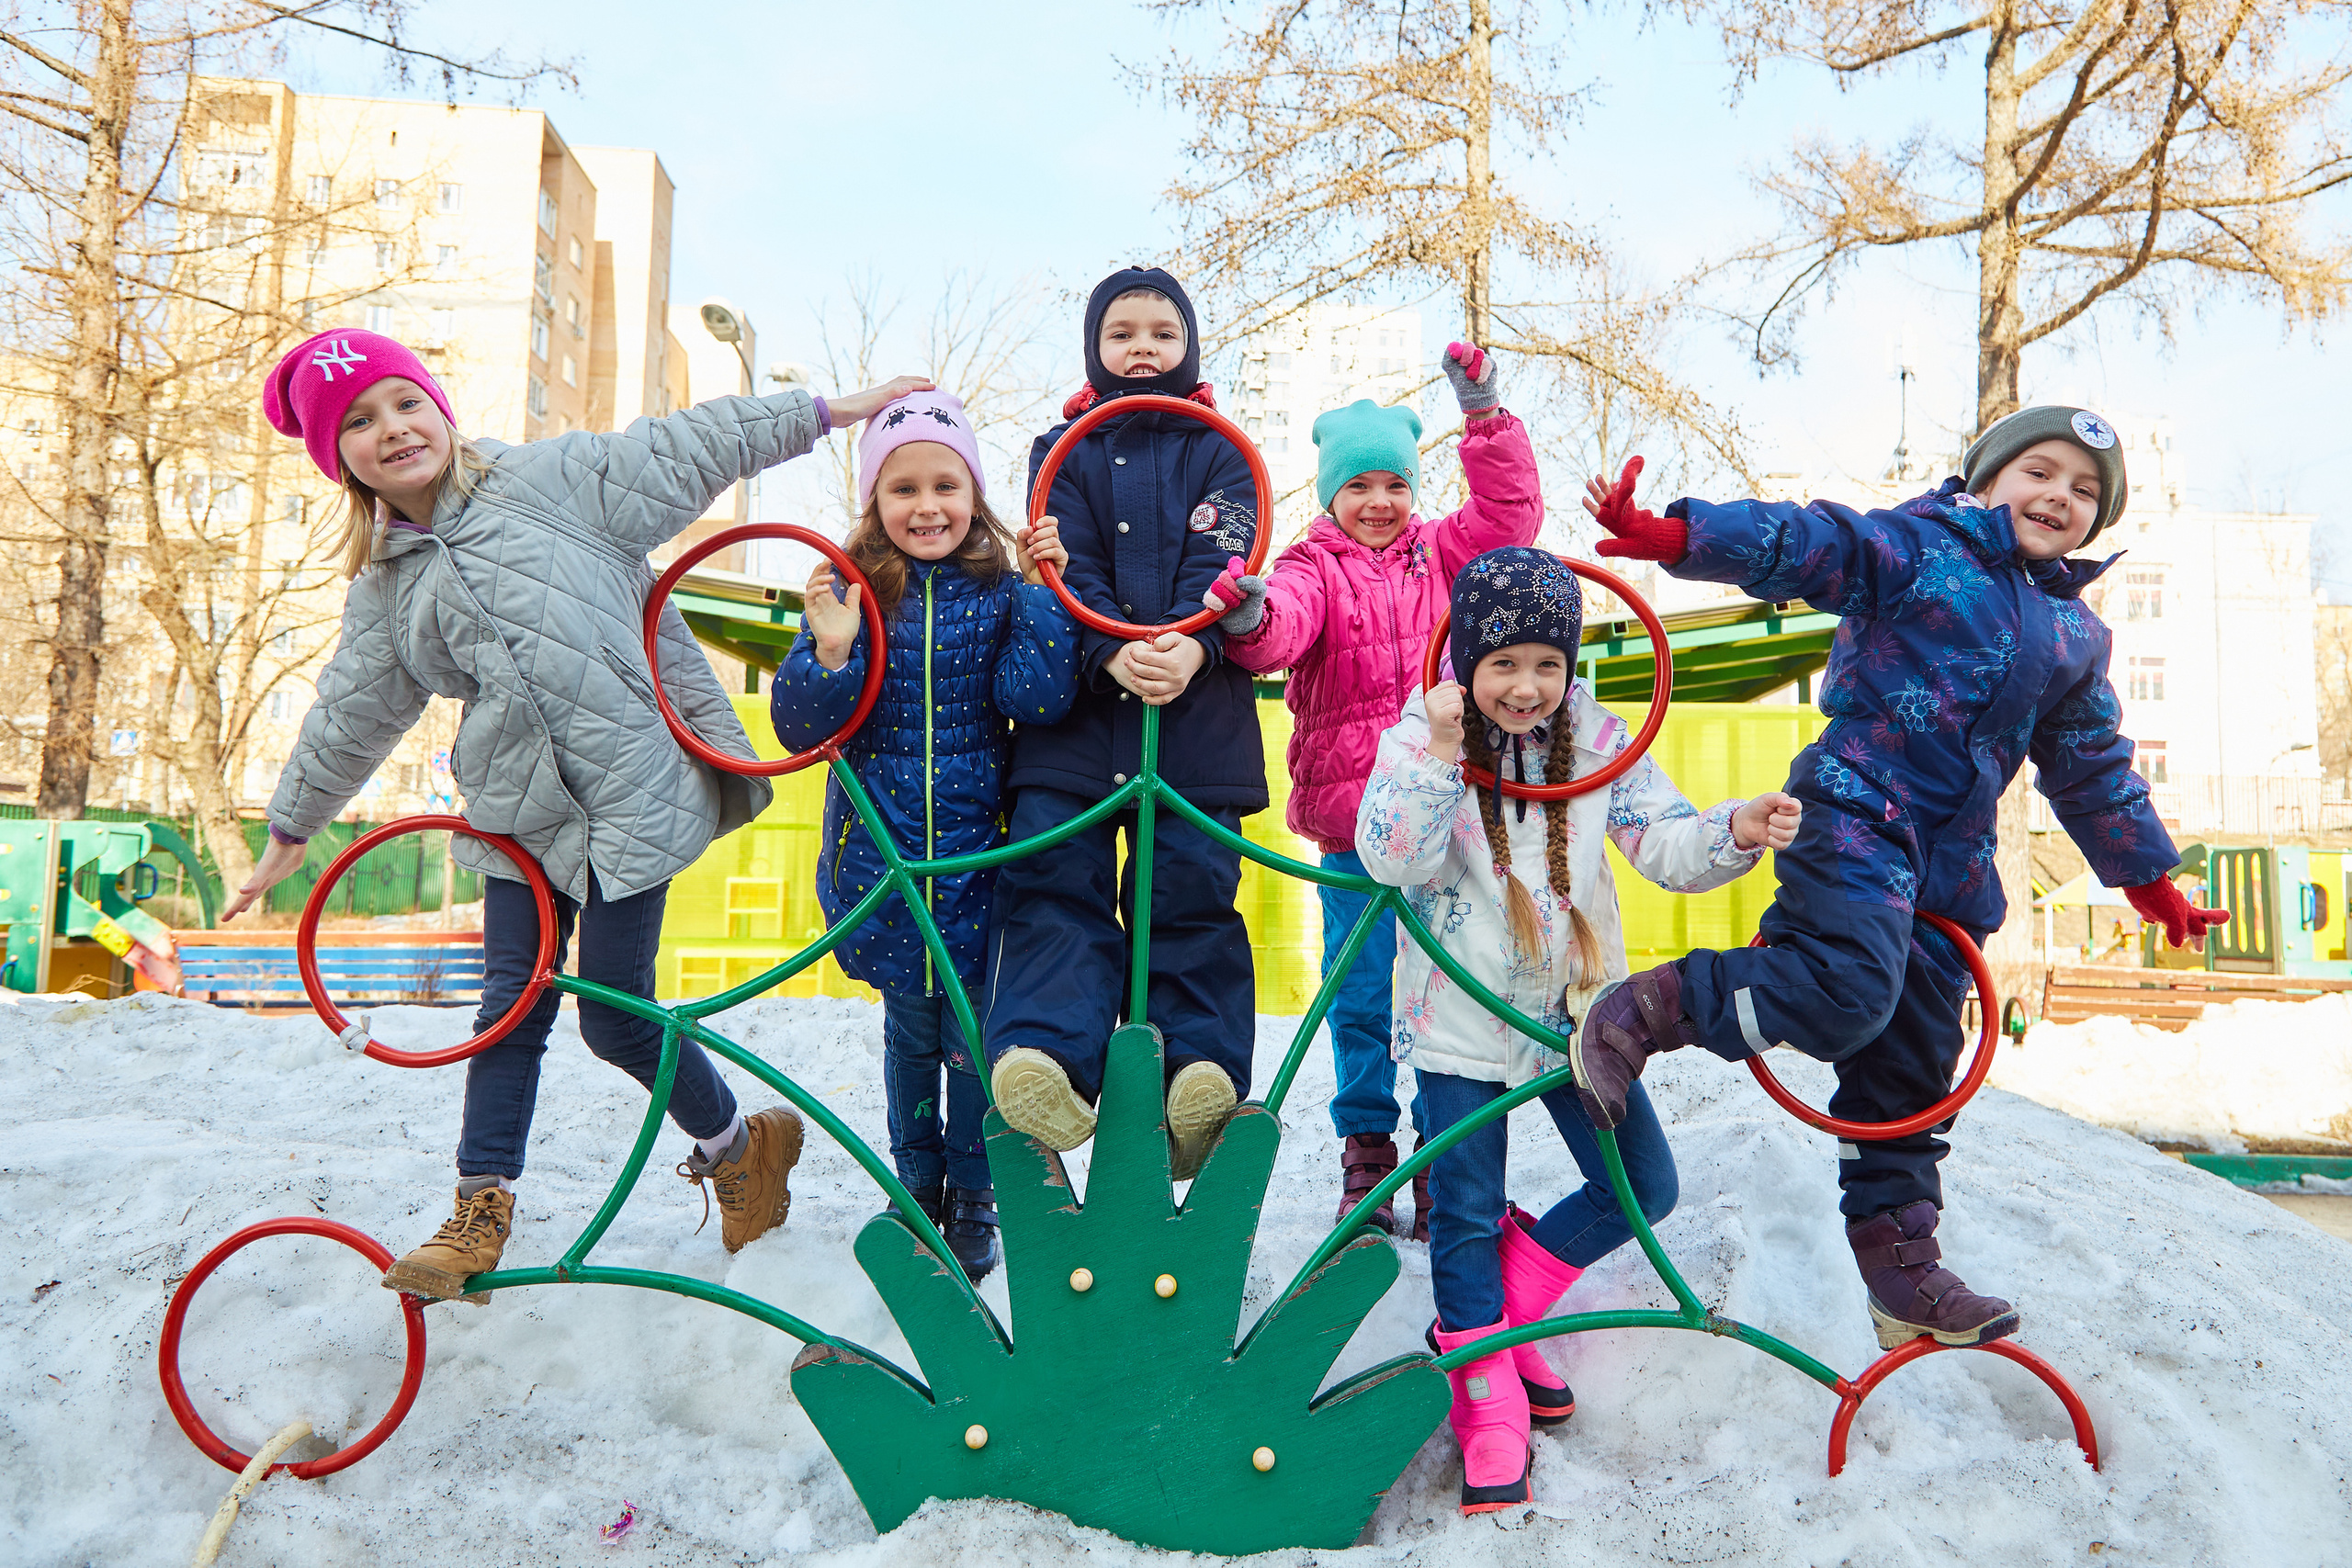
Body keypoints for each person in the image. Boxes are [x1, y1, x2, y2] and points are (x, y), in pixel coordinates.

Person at [227, 326, 929, 1299]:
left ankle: (738, 1150)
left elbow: (684, 446)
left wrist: (822, 412)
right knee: (509, 1009)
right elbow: (352, 709)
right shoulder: (387, 593)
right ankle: (479, 1209)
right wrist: (291, 830)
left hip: (635, 793)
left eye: (403, 403)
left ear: (439, 406)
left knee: (614, 1018)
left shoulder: (550, 484)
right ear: (336, 457)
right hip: (516, 815)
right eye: (358, 422)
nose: (392, 429)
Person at [1570, 406, 2227, 1351]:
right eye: (2039, 472)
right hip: (1853, 813)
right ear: (1987, 480)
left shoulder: (2073, 635)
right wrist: (1678, 536)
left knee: (1913, 1071)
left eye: (2085, 492)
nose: (2060, 498)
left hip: (1949, 871)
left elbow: (2090, 764)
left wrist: (2146, 880)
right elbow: (1809, 544)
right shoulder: (1919, 547)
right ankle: (1648, 1009)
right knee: (1841, 991)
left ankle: (1901, 1272)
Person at [1356, 546, 1799, 1513]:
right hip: (1461, 1020)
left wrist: (1738, 828)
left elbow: (1666, 845)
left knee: (1642, 1183)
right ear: (1465, 662)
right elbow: (1389, 858)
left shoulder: (1596, 739)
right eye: (1503, 663)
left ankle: (1499, 1316)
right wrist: (1436, 756)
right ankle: (1484, 1394)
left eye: (1546, 663)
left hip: (1571, 1017)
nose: (1526, 686)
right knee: (1464, 1209)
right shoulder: (1425, 735)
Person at [1213, 343, 1542, 1239]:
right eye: (1357, 487)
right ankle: (1366, 1149)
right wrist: (1249, 615)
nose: (1378, 503)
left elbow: (1511, 518)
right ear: (1329, 497)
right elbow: (1281, 630)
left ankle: (1443, 1156)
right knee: (1358, 992)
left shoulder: (1445, 554)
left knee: (1447, 988)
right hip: (1357, 824)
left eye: (1393, 485)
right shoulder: (1311, 564)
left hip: (1447, 817)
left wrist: (1482, 414)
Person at [770, 390, 1080, 1281]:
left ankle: (976, 1196)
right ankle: (918, 1186)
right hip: (884, 861)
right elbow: (800, 728)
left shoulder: (1001, 592)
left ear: (974, 495)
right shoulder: (852, 595)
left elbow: (1037, 697)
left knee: (975, 1039)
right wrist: (829, 651)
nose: (927, 505)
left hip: (980, 864)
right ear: (875, 502)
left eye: (946, 484)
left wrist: (1042, 596)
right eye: (903, 488)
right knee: (910, 1034)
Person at [982, 266, 1265, 1182]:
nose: (1142, 346)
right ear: (1093, 352)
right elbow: (1066, 557)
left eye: (1162, 332)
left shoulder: (1221, 450)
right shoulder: (1060, 447)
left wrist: (1192, 645)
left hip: (1192, 722)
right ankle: (1047, 1063)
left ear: (1189, 349)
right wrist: (1109, 649)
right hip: (1079, 715)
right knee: (1053, 888)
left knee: (1188, 900)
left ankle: (1198, 1079)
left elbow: (1230, 560)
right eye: (1121, 332)